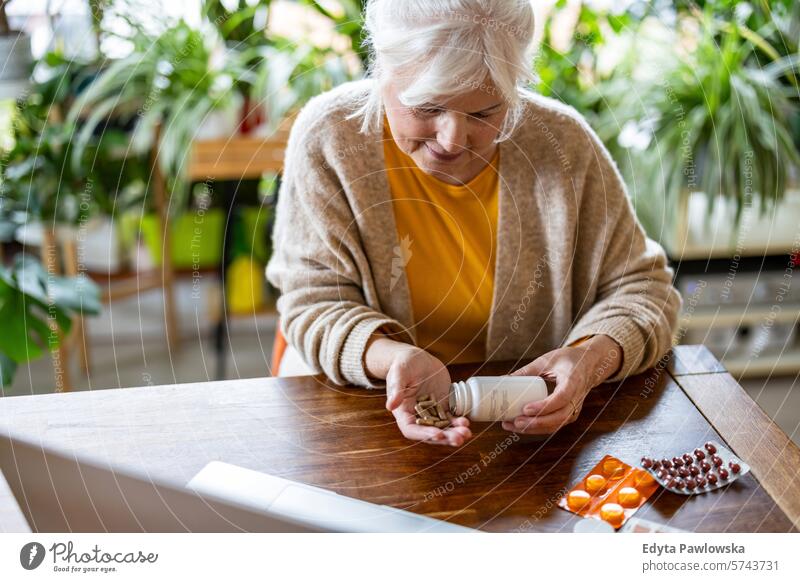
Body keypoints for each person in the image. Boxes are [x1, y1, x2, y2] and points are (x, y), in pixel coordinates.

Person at [266, 0, 682, 447]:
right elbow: (312, 303)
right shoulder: (330, 137)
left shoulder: (564, 145)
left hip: (531, 435)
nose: (451, 139)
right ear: (381, 70)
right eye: (426, 107)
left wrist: (590, 357)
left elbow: (646, 292)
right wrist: (390, 359)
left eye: (484, 113)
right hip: (364, 416)